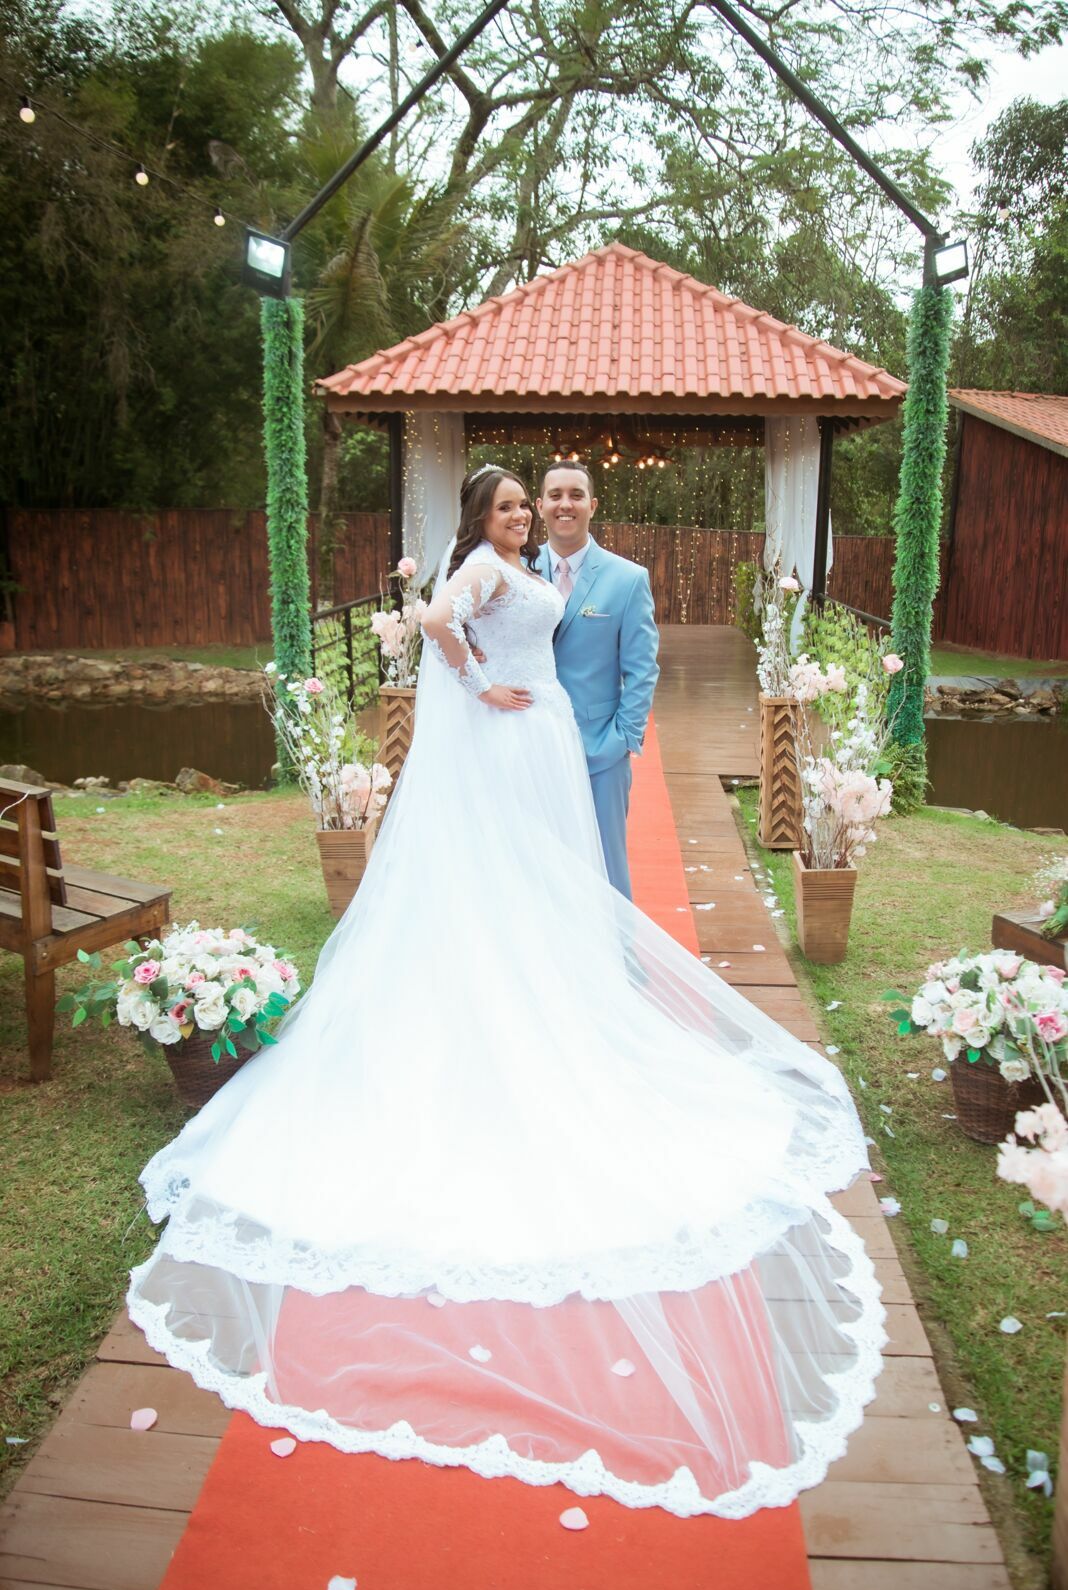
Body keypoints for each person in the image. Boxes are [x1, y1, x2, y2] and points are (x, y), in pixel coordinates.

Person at [127, 465, 884, 1520]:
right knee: (495, 890)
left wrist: (539, 699)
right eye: (512, 505)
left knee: (548, 888)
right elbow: (437, 617)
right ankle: (496, 1017)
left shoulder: (565, 570)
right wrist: (477, 681)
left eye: (535, 503)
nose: (526, 516)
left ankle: (556, 998)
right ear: (481, 521)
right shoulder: (485, 570)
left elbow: (612, 652)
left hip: (543, 741)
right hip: (505, 729)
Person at [535, 462, 659, 899]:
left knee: (606, 869)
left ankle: (617, 962)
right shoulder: (514, 572)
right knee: (537, 866)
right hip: (528, 745)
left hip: (600, 748)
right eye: (554, 495)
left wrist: (623, 738)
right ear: (540, 506)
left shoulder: (627, 579)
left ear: (592, 505)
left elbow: (642, 668)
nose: (564, 504)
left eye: (575, 494)